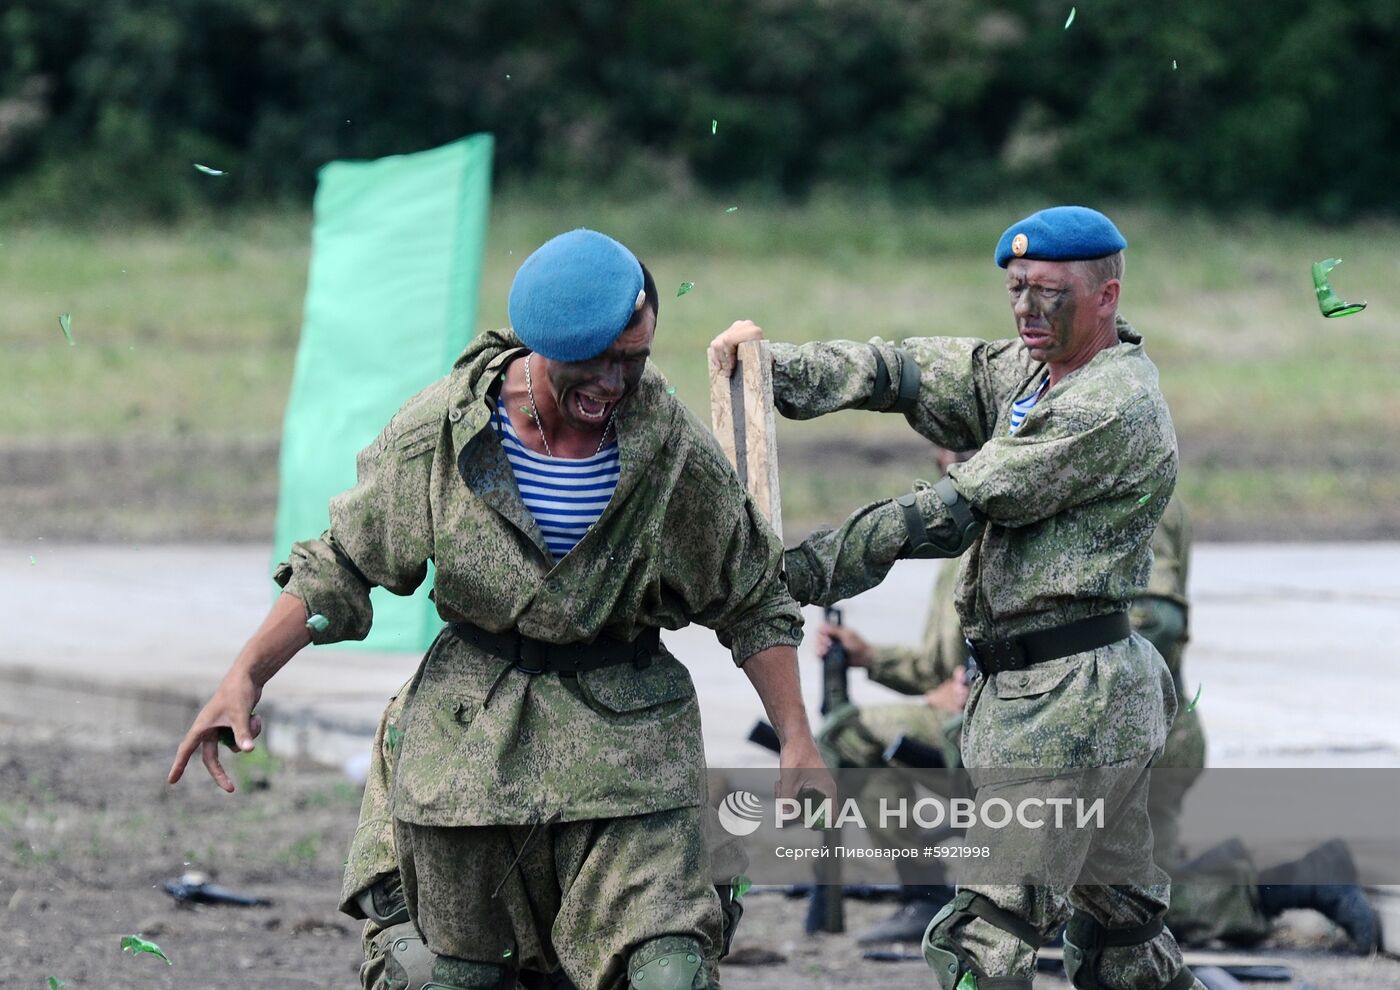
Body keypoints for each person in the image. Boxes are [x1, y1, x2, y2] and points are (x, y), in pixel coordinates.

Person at [169, 229, 834, 990]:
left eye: (635, 358)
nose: (616, 382)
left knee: (670, 973)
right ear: (545, 343)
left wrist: (797, 740)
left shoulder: (672, 451)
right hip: (469, 751)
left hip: (630, 752)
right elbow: (341, 564)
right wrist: (243, 678)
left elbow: (750, 597)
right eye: (599, 359)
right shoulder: (443, 436)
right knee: (453, 977)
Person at [712, 206, 1204, 990]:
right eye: (1016, 290)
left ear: (1107, 297)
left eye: (1049, 293)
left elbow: (947, 512)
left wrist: (796, 576)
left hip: (1071, 705)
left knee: (985, 939)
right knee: (1126, 944)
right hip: (1056, 697)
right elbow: (906, 371)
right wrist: (778, 374)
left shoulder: (1108, 404)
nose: (1027, 311)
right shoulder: (1035, 371)